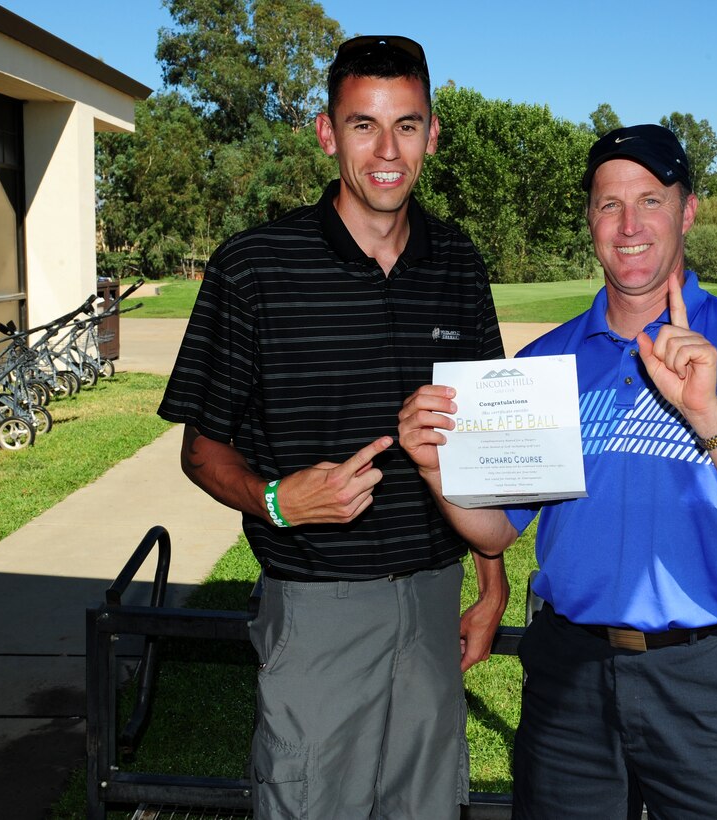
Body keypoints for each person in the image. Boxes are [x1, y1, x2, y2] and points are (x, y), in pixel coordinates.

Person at [398, 124, 717, 818]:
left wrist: (710, 416)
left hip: (712, 677)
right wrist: (434, 469)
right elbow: (493, 533)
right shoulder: (546, 364)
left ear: (688, 210)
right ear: (591, 220)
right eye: (609, 204)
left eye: (651, 200)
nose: (629, 225)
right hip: (571, 675)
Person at [157, 35, 509, 819]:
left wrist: (492, 584)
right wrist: (279, 500)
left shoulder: (458, 262)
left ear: (433, 133)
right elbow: (201, 448)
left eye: (407, 125)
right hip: (315, 611)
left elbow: (482, 443)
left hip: (431, 606)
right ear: (327, 132)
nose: (388, 151)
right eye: (363, 125)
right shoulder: (253, 267)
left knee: (425, 808)